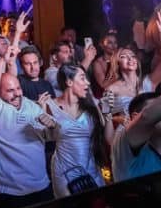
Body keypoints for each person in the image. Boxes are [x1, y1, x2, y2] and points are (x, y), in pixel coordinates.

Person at [0, 45, 53, 208]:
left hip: (42, 187)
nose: (17, 94)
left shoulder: (31, 105)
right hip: (11, 195)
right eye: (10, 91)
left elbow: (49, 136)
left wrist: (52, 126)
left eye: (18, 88)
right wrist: (3, 59)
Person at [39, 64, 113, 197]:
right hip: (64, 171)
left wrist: (108, 113)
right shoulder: (49, 105)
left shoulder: (92, 105)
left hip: (90, 168)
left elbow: (109, 139)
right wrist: (43, 113)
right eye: (83, 78)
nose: (88, 82)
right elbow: (49, 138)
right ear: (69, 81)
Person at [104, 10, 161, 120]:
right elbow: (106, 119)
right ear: (117, 63)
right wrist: (118, 120)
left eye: (132, 55)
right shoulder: (112, 89)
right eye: (124, 56)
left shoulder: (148, 82)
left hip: (149, 132)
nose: (130, 58)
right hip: (126, 134)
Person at [90, 31, 118, 97]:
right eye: (110, 43)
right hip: (104, 98)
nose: (113, 46)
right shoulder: (98, 63)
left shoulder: (120, 59)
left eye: (115, 42)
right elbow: (104, 85)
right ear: (102, 45)